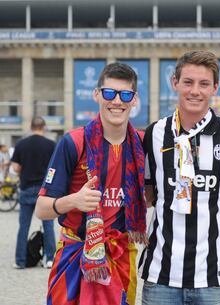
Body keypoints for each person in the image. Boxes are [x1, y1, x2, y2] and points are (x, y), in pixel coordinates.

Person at [35, 63, 146, 305]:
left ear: (134, 100)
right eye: (109, 93)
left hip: (120, 257)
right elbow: (41, 209)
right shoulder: (73, 142)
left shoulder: (143, 145)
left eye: (125, 94)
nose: (117, 101)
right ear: (96, 94)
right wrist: (74, 200)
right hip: (74, 254)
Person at [139, 50, 220, 305]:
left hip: (212, 278)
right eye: (188, 82)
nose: (195, 91)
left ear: (215, 88)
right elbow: (148, 193)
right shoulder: (154, 133)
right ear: (175, 83)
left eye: (204, 83)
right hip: (161, 275)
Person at [11, 117, 56, 269]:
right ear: (43, 127)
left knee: (23, 226)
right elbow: (54, 169)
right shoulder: (51, 145)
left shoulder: (21, 144)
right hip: (44, 191)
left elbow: (15, 167)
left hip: (26, 188)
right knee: (48, 225)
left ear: (31, 127)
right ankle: (50, 259)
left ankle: (20, 261)